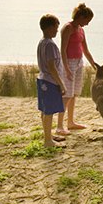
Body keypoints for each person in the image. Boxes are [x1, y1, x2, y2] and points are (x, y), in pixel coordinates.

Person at [59, 3, 98, 134]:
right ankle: (60, 125)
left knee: (74, 93)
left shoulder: (81, 30)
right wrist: (66, 68)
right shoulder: (68, 28)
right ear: (81, 16)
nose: (87, 23)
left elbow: (85, 50)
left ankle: (70, 122)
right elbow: (63, 50)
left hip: (79, 62)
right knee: (66, 95)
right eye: (87, 20)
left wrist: (94, 65)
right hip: (68, 63)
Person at [36, 14, 67, 148]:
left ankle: (47, 135)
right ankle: (48, 141)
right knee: (49, 112)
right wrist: (61, 83)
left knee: (45, 110)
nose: (57, 30)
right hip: (50, 81)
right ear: (48, 28)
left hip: (43, 79)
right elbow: (52, 67)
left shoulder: (42, 42)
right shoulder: (50, 45)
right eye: (55, 27)